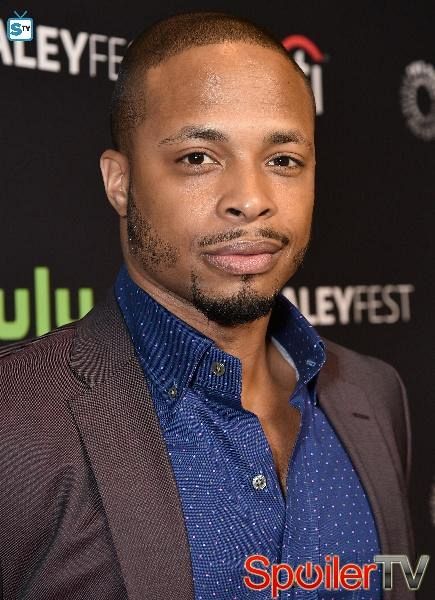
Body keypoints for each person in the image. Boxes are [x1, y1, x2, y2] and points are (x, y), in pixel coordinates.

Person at [0, 11, 414, 600]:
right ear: (120, 182)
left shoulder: (374, 393)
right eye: (198, 157)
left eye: (283, 160)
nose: (250, 199)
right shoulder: (15, 419)